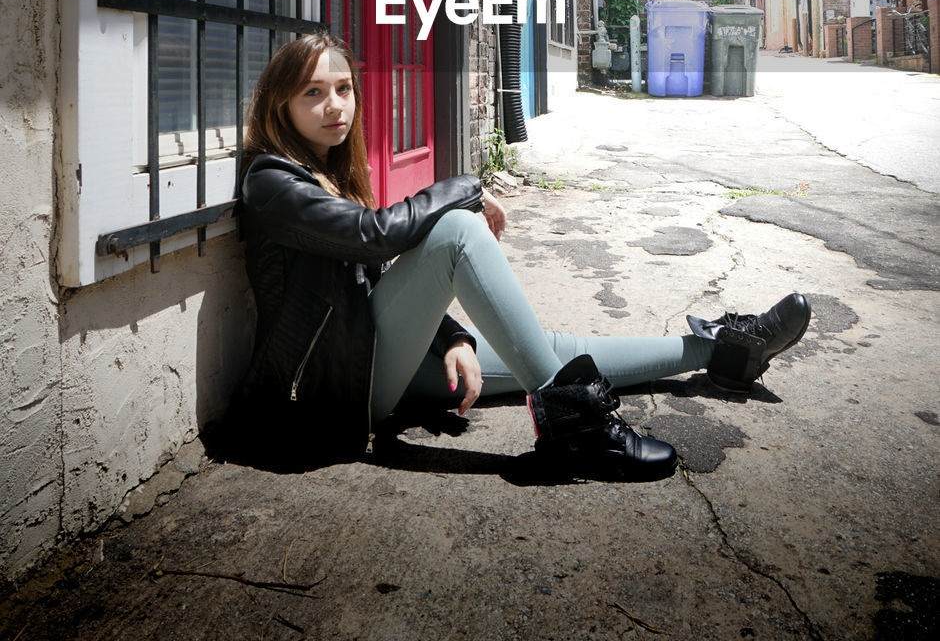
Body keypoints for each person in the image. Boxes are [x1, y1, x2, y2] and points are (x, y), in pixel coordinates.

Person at [229, 32, 811, 482]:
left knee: (549, 352)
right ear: (280, 104)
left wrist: (451, 337)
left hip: (371, 357)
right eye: (313, 92)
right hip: (329, 399)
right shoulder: (272, 182)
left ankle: (724, 351)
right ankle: (579, 432)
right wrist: (467, 186)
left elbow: (376, 277)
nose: (335, 106)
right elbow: (377, 236)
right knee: (458, 231)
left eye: (344, 88)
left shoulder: (327, 171)